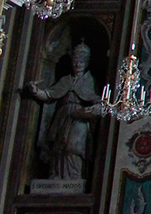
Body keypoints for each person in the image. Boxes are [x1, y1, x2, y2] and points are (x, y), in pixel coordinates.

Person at [26, 41, 101, 182]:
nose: (78, 64)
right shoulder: (65, 80)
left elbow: (98, 100)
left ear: (86, 63)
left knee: (74, 146)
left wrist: (95, 108)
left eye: (81, 61)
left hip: (79, 116)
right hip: (63, 115)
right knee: (58, 147)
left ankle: (74, 176)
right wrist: (35, 91)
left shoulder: (90, 81)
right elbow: (49, 95)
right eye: (76, 61)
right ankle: (56, 175)